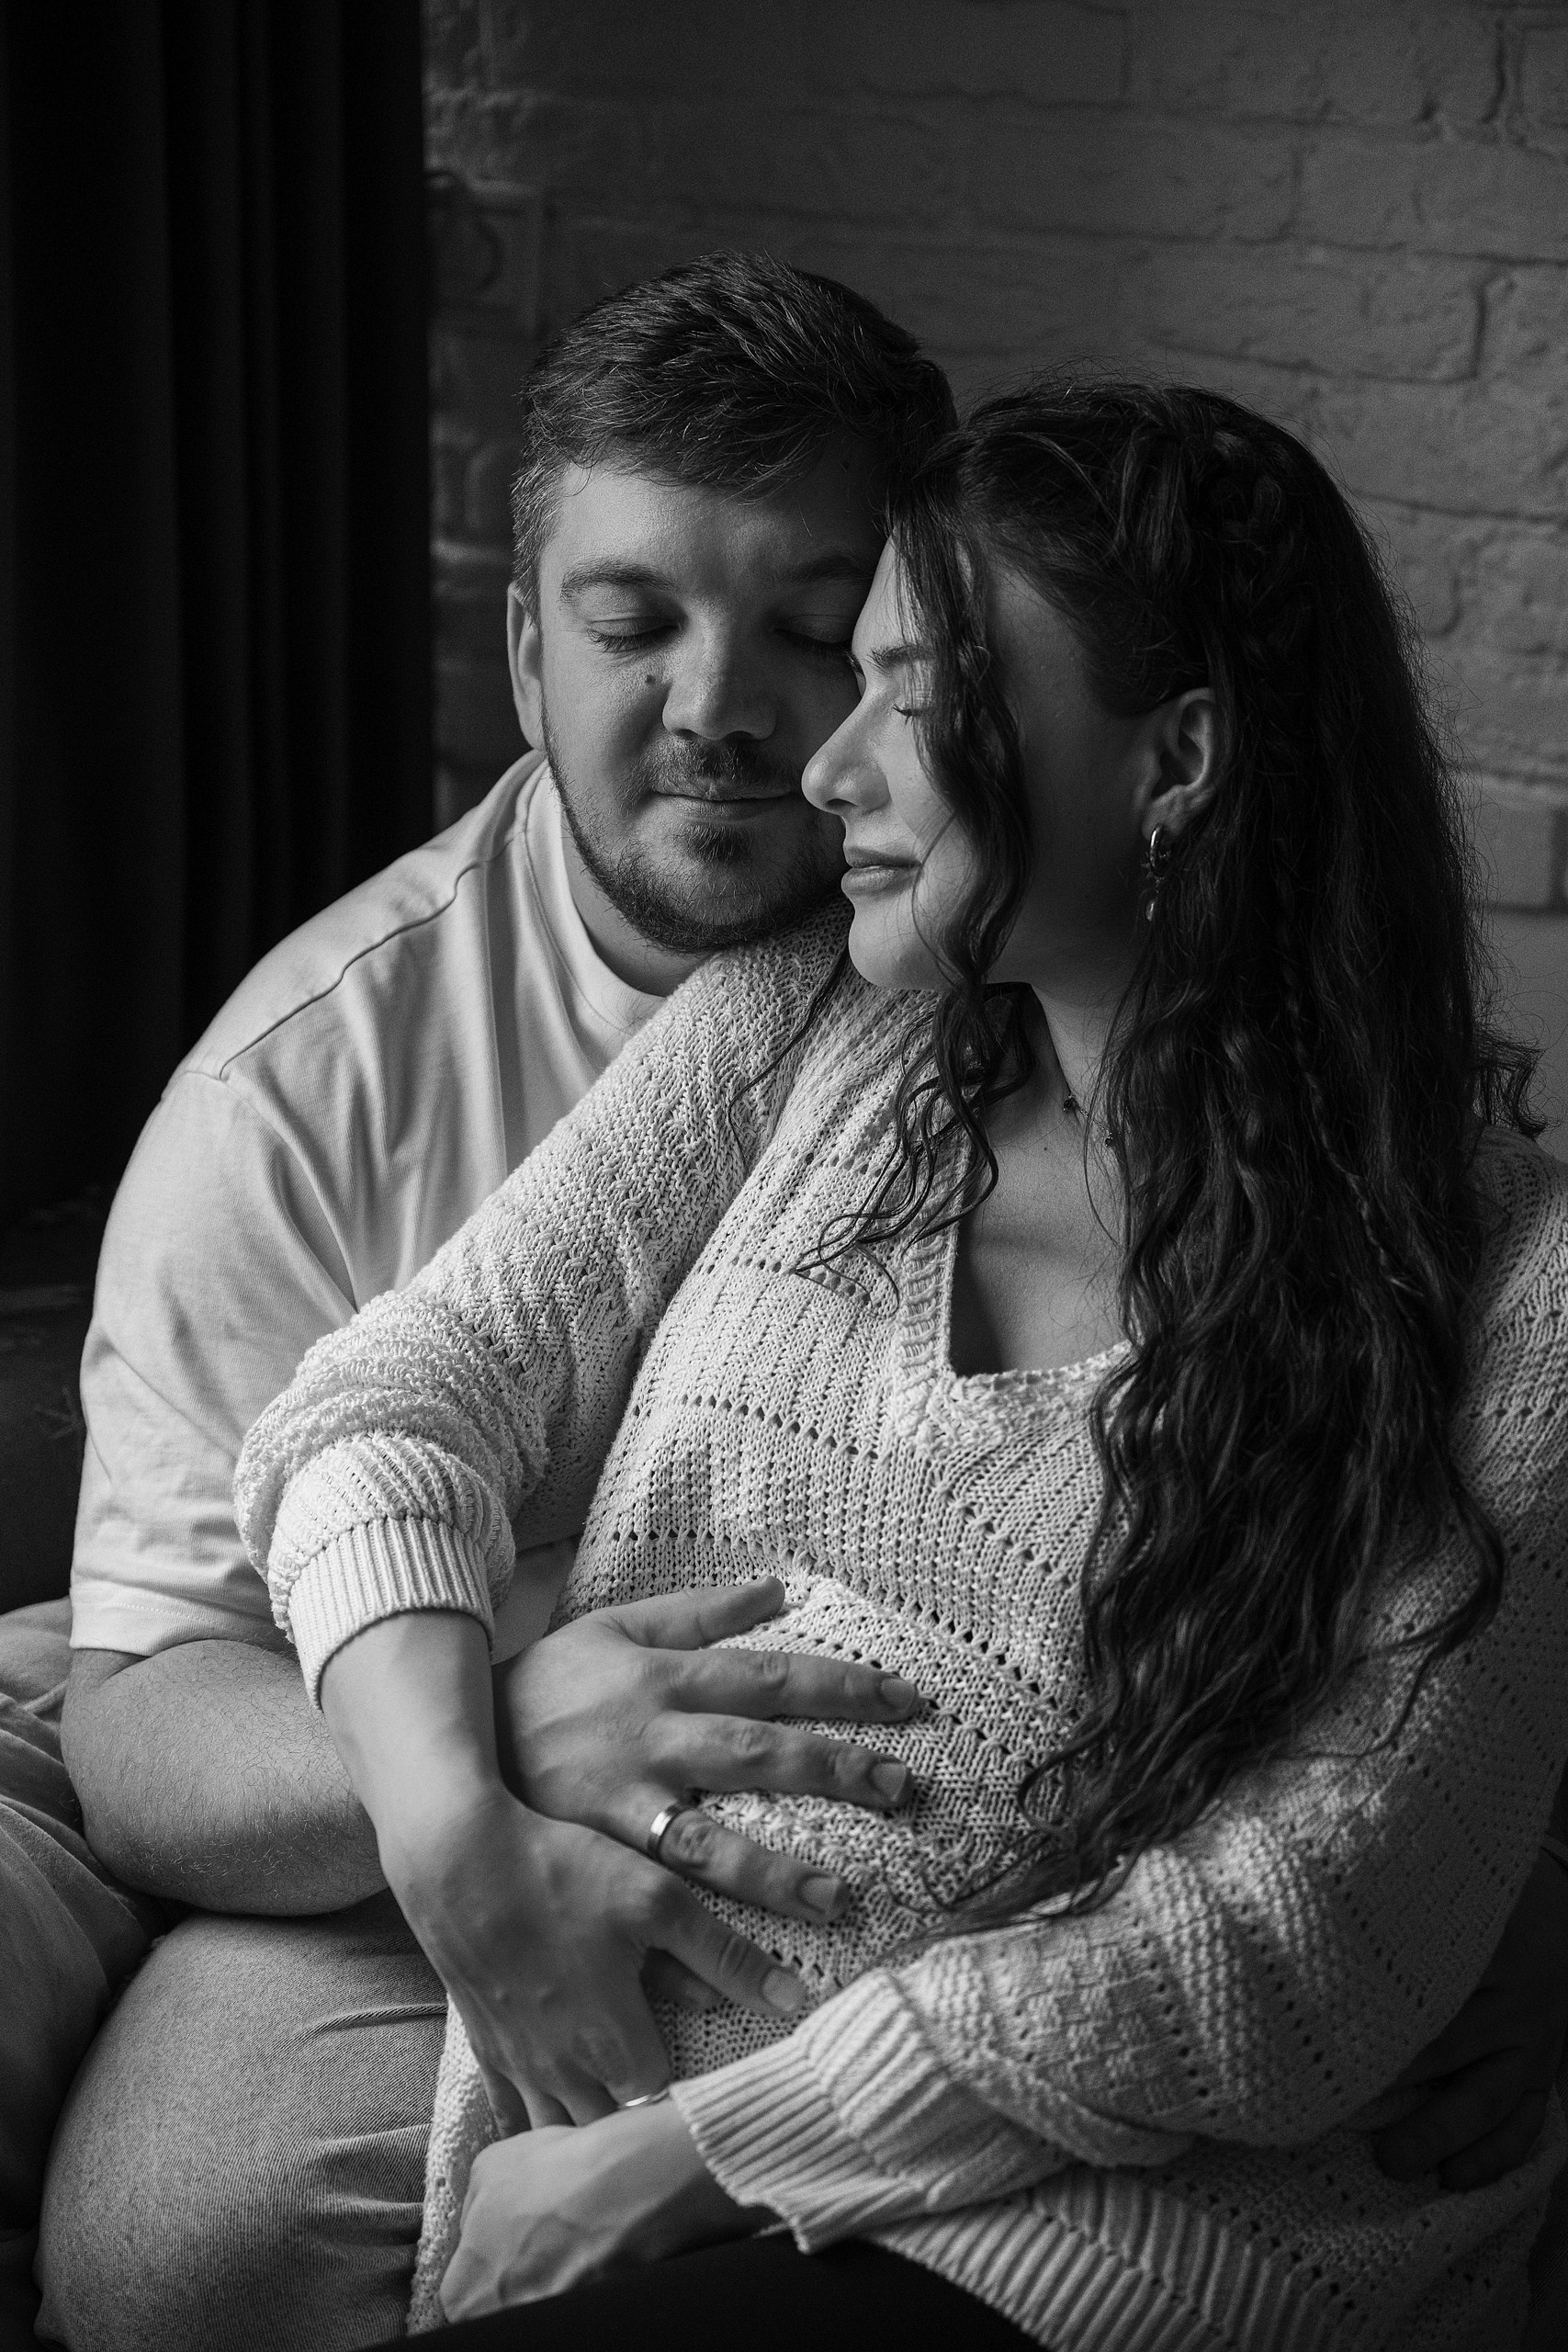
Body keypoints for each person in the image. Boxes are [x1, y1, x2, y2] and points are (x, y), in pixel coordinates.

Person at [237, 379, 1568, 2350]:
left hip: (1096, 2232)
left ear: (1177, 758)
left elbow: (1303, 1926)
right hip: (585, 2163)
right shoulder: (808, 1032)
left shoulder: (1514, 1287)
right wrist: (450, 1822)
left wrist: (701, 2151)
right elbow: (379, 1403)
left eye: (912, 694)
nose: (827, 765)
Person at [23, 254, 956, 2352]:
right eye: (634, 622)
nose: (721, 707)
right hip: (400, 1809)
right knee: (178, 2242)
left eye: (811, 627)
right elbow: (144, 1718)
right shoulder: (299, 1093)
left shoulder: (1011, 954)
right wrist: (488, 1741)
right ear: (524, 645)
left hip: (929, 1770)